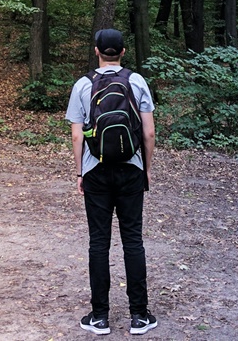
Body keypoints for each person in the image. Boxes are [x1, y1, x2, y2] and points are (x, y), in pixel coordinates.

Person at [66, 28, 158, 336]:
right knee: (133, 240)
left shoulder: (82, 84)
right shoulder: (137, 81)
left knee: (98, 242)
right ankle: (140, 316)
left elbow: (78, 134)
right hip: (131, 168)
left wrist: (80, 172)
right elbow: (148, 133)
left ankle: (100, 317)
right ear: (122, 51)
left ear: (96, 51)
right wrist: (145, 168)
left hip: (96, 171)